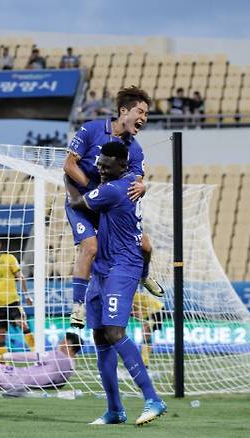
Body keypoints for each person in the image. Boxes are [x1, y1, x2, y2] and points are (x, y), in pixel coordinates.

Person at [66, 142, 167, 426]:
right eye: (98, 162)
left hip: (122, 267)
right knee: (99, 337)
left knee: (114, 330)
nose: (99, 167)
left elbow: (77, 203)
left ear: (121, 166)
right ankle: (114, 410)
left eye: (105, 164)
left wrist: (67, 177)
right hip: (104, 266)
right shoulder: (127, 184)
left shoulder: (113, 189)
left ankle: (153, 399)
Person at [63, 86, 163, 329]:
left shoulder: (135, 150)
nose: (143, 118)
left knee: (145, 245)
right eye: (140, 111)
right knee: (91, 247)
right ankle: (78, 308)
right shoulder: (92, 129)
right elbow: (69, 164)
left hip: (107, 207)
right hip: (82, 204)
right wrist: (90, 190)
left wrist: (143, 187)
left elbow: (136, 181)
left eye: (146, 114)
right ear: (123, 111)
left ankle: (144, 274)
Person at [0, 238, 35, 357]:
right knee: (0, 335)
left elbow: (20, 277)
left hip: (12, 301)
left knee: (22, 323)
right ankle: (3, 364)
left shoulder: (9, 258)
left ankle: (36, 353)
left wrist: (27, 296)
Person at [131, 292, 164, 367]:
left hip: (156, 311)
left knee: (145, 334)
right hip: (152, 310)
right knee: (146, 335)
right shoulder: (132, 296)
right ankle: (145, 361)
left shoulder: (131, 297)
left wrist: (133, 314)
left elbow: (138, 313)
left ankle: (144, 362)